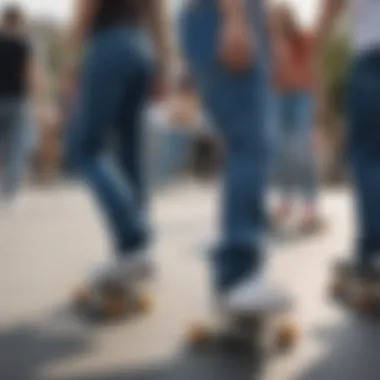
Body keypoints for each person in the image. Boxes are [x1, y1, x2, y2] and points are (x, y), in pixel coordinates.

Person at [179, 0, 291, 311]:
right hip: (226, 11)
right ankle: (238, 276)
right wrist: (234, 16)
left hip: (237, 13)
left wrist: (273, 35)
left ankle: (238, 275)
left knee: (254, 141)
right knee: (250, 141)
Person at [65, 0, 171, 296]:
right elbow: (158, 13)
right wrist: (162, 64)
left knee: (85, 148)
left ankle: (132, 238)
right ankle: (134, 252)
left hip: (108, 45)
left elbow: (86, 7)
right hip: (141, 48)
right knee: (130, 155)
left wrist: (72, 60)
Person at [315, 0, 380, 271]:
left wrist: (316, 60)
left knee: (368, 157)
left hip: (372, 56)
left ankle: (373, 250)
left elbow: (331, 8)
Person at [270, 5, 321, 233]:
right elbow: (271, 73)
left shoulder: (303, 38)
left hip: (301, 96)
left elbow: (314, 68)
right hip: (279, 97)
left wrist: (320, 107)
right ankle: (285, 202)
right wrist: (277, 40)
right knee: (282, 151)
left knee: (301, 149)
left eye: (279, 19)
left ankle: (310, 207)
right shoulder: (270, 43)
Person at [0, 4, 43, 211]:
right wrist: (36, 100)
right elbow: (29, 73)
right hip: (17, 100)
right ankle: (11, 194)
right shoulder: (24, 43)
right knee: (14, 148)